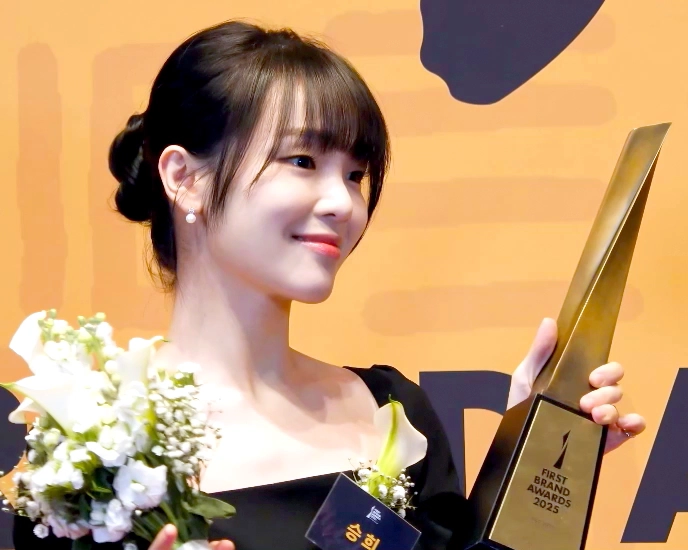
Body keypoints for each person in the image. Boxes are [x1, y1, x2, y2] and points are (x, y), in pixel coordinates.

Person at [12, 19, 646, 550]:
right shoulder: (92, 455)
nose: (342, 203)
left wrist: (530, 454)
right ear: (184, 178)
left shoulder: (393, 413)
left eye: (356, 175)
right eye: (302, 161)